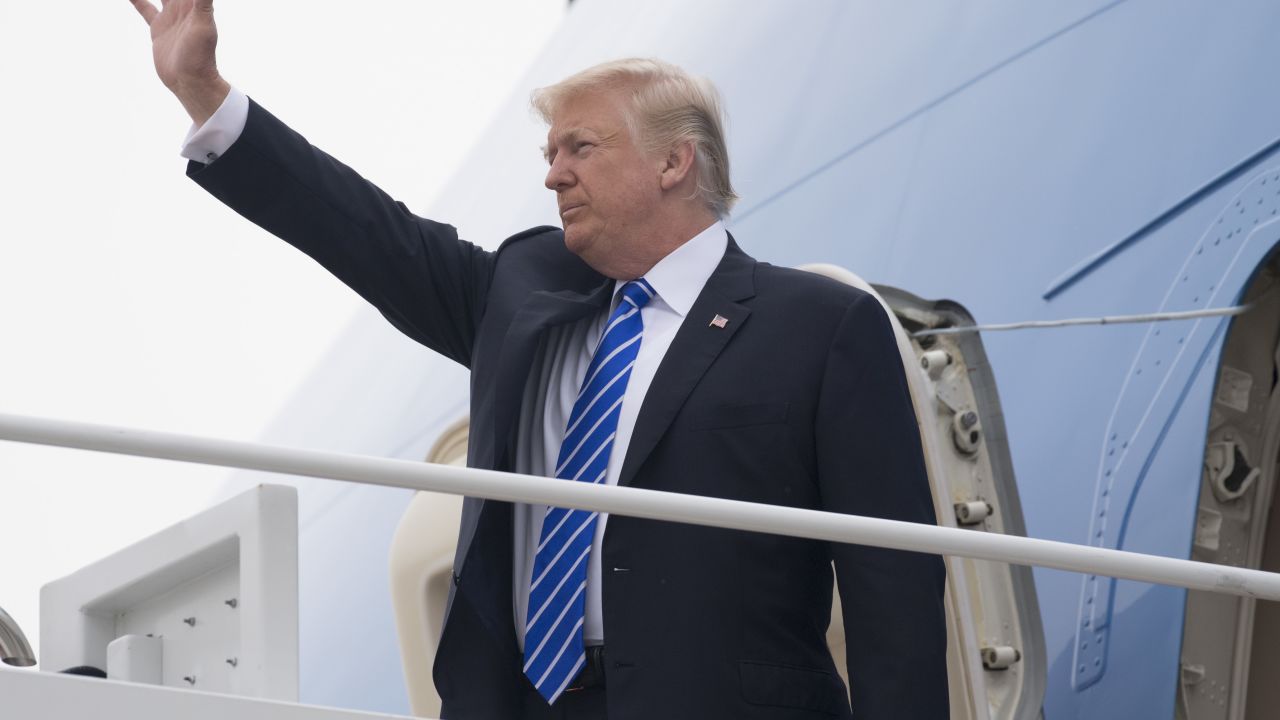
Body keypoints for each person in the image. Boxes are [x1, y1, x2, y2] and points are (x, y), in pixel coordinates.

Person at [128, 1, 949, 718]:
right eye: (550, 154)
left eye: (580, 148)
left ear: (673, 162)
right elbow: (366, 233)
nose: (553, 174)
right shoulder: (518, 300)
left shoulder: (819, 323)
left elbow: (895, 597)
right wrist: (206, 95)